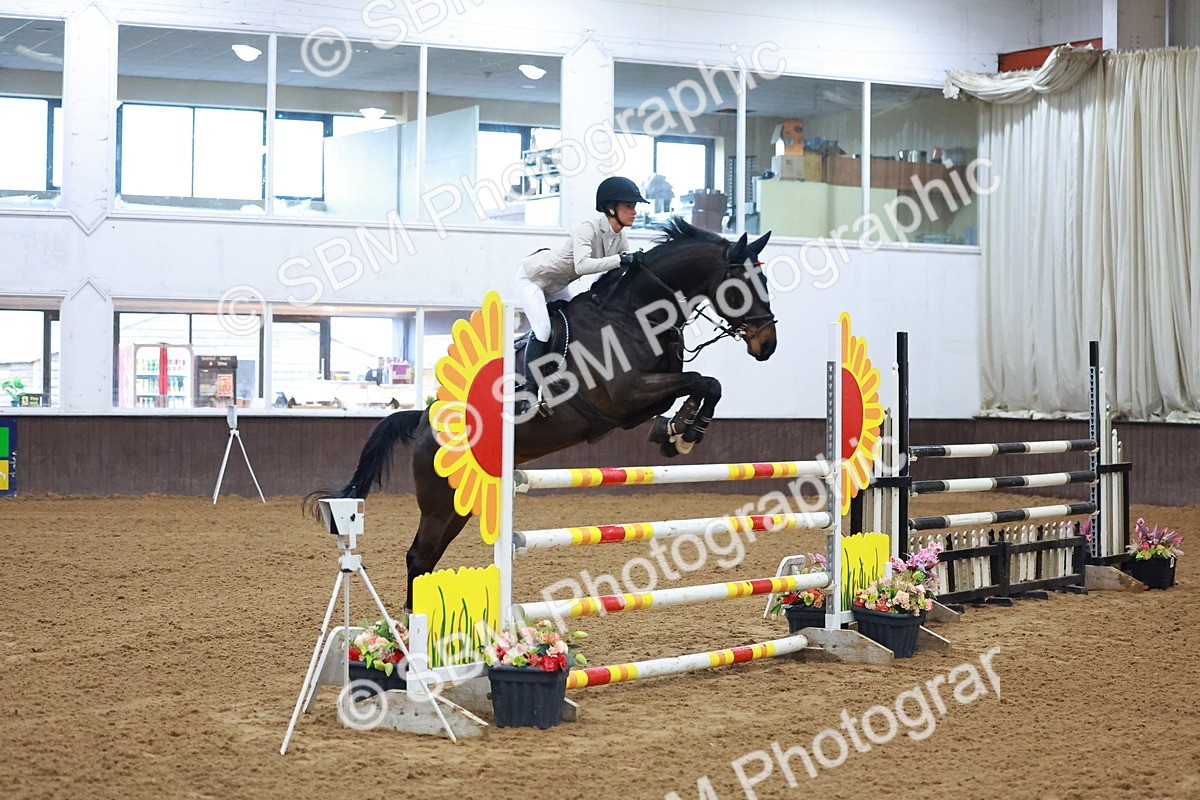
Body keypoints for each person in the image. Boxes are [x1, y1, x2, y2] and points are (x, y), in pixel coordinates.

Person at [515, 175, 648, 415]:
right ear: (611, 208)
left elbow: (623, 268)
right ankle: (529, 390)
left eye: (634, 207)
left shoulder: (620, 236)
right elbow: (582, 266)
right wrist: (621, 260)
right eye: (629, 206)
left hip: (558, 284)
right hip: (533, 280)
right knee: (544, 330)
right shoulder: (588, 229)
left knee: (572, 325)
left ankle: (553, 379)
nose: (634, 211)